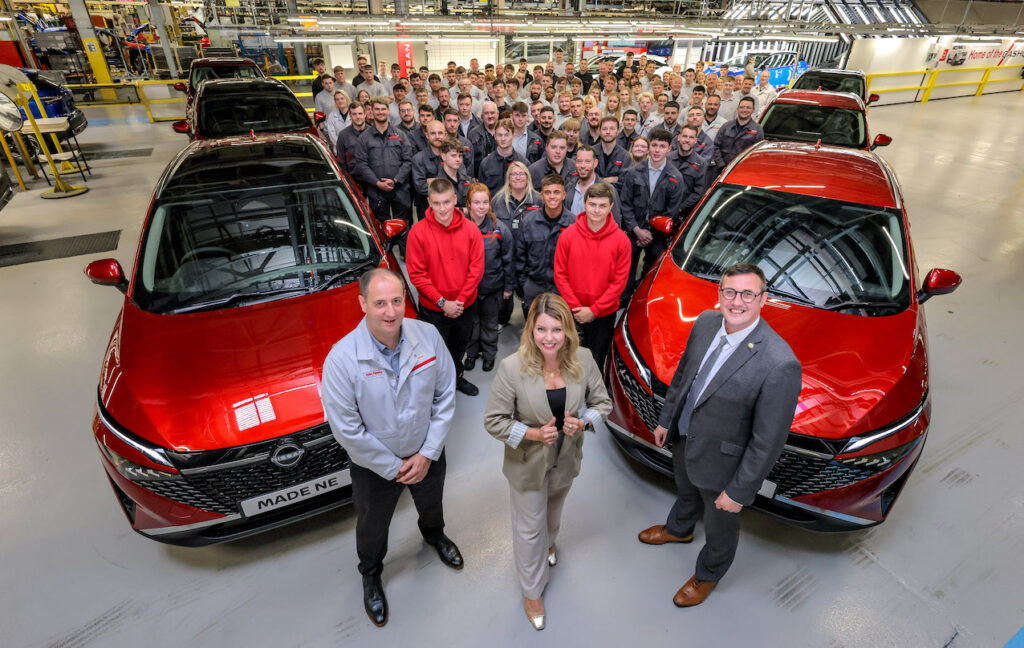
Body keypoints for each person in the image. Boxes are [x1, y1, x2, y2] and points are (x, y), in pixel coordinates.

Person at [637, 262, 802, 607]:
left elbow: (767, 440)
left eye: (747, 294)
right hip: (684, 436)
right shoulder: (706, 323)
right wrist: (667, 419)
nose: (736, 301)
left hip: (725, 465)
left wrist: (739, 491)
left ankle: (708, 573)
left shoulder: (779, 362)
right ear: (720, 294)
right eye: (729, 292)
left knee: (720, 525)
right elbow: (684, 375)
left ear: (763, 299)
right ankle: (679, 530)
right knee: (684, 488)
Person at [321, 268, 464, 628]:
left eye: (397, 301)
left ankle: (434, 535)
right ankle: (370, 573)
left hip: (425, 452)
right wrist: (392, 466)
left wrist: (428, 452)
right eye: (380, 303)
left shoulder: (427, 336)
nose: (390, 312)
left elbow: (446, 395)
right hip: (374, 466)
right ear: (363, 304)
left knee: (431, 503)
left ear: (405, 300)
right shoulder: (342, 359)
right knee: (372, 525)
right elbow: (346, 429)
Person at [484, 292, 611, 630]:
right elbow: (494, 421)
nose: (549, 338)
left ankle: (551, 543)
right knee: (529, 530)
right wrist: (533, 434)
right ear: (530, 330)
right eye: (542, 329)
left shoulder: (583, 359)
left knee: (553, 512)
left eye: (557, 329)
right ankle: (532, 591)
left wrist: (583, 422)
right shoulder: (512, 368)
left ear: (568, 330)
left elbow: (603, 405)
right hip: (527, 464)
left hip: (566, 460)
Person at [406, 178, 485, 396]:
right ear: (429, 202)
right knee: (435, 352)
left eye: (446, 202)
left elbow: (476, 270)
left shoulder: (471, 231)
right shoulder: (418, 233)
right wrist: (442, 302)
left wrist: (458, 302)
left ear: (455, 200)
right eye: (437, 203)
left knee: (460, 346)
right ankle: (440, 387)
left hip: (464, 306)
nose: (442, 209)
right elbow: (417, 275)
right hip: (433, 310)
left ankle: (457, 377)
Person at [554, 182, 631, 368]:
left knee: (596, 359)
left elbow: (619, 283)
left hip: (603, 315)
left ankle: (592, 395)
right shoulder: (567, 236)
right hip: (573, 312)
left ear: (611, 207)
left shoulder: (622, 241)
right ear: (585, 204)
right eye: (592, 204)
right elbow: (560, 275)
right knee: (570, 359)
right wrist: (576, 308)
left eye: (602, 206)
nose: (596, 210)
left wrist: (594, 310)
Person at [619, 128, 684, 290]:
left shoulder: (675, 177)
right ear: (649, 147)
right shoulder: (633, 172)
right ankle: (625, 297)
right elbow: (625, 203)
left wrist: (650, 234)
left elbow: (672, 212)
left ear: (669, 149)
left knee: (653, 268)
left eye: (662, 146)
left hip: (657, 235)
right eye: (654, 145)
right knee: (626, 265)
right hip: (634, 229)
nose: (657, 150)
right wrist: (637, 230)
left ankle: (641, 293)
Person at [464, 183, 515, 372]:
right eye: (476, 202)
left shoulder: (499, 229)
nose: (481, 206)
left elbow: (508, 260)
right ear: (469, 204)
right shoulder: (461, 227)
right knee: (472, 323)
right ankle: (471, 353)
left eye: (485, 202)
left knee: (490, 323)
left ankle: (489, 354)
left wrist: (508, 287)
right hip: (468, 289)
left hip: (492, 287)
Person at [353, 98, 413, 248]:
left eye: (383, 109)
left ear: (388, 111)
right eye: (377, 109)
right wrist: (377, 183)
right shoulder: (364, 138)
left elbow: (408, 160)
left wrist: (397, 179)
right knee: (381, 227)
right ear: (371, 112)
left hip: (400, 189)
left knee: (404, 224)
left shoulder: (400, 135)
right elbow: (361, 164)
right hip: (377, 191)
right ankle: (388, 259)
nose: (380, 112)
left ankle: (407, 256)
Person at [516, 174, 574, 314]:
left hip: (562, 288)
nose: (552, 196)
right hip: (534, 286)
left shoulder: (574, 224)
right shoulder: (528, 222)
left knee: (559, 330)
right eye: (547, 192)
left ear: (564, 195)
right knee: (533, 329)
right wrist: (524, 286)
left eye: (556, 192)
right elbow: (519, 257)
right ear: (542, 196)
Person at [711, 97, 763, 175]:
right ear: (738, 109)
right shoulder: (726, 126)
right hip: (721, 170)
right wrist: (721, 165)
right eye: (742, 107)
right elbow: (716, 146)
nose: (744, 110)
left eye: (748, 108)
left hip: (743, 172)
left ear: (753, 110)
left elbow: (758, 155)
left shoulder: (757, 130)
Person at [667, 124, 709, 218]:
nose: (687, 140)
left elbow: (699, 192)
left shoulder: (701, 164)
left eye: (691, 137)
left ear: (695, 141)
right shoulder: (667, 158)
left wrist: (680, 208)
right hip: (663, 208)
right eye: (685, 136)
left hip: (684, 213)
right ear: (679, 138)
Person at [479, 118, 527, 195]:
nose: (503, 139)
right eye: (500, 135)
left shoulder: (523, 163)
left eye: (507, 135)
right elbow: (481, 193)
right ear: (495, 136)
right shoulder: (486, 163)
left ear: (513, 136)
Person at [412, 119, 448, 216]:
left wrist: (432, 181)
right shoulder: (418, 159)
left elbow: (460, 182)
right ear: (427, 135)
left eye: (440, 133)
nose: (437, 137)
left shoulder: (452, 156)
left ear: (445, 135)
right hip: (426, 211)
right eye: (433, 133)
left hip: (449, 210)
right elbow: (420, 187)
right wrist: (446, 183)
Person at [335, 102, 368, 175]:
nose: (358, 117)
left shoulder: (373, 132)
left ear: (365, 114)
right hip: (353, 179)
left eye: (360, 113)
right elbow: (341, 161)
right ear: (350, 116)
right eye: (354, 114)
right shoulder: (343, 135)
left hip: (374, 180)